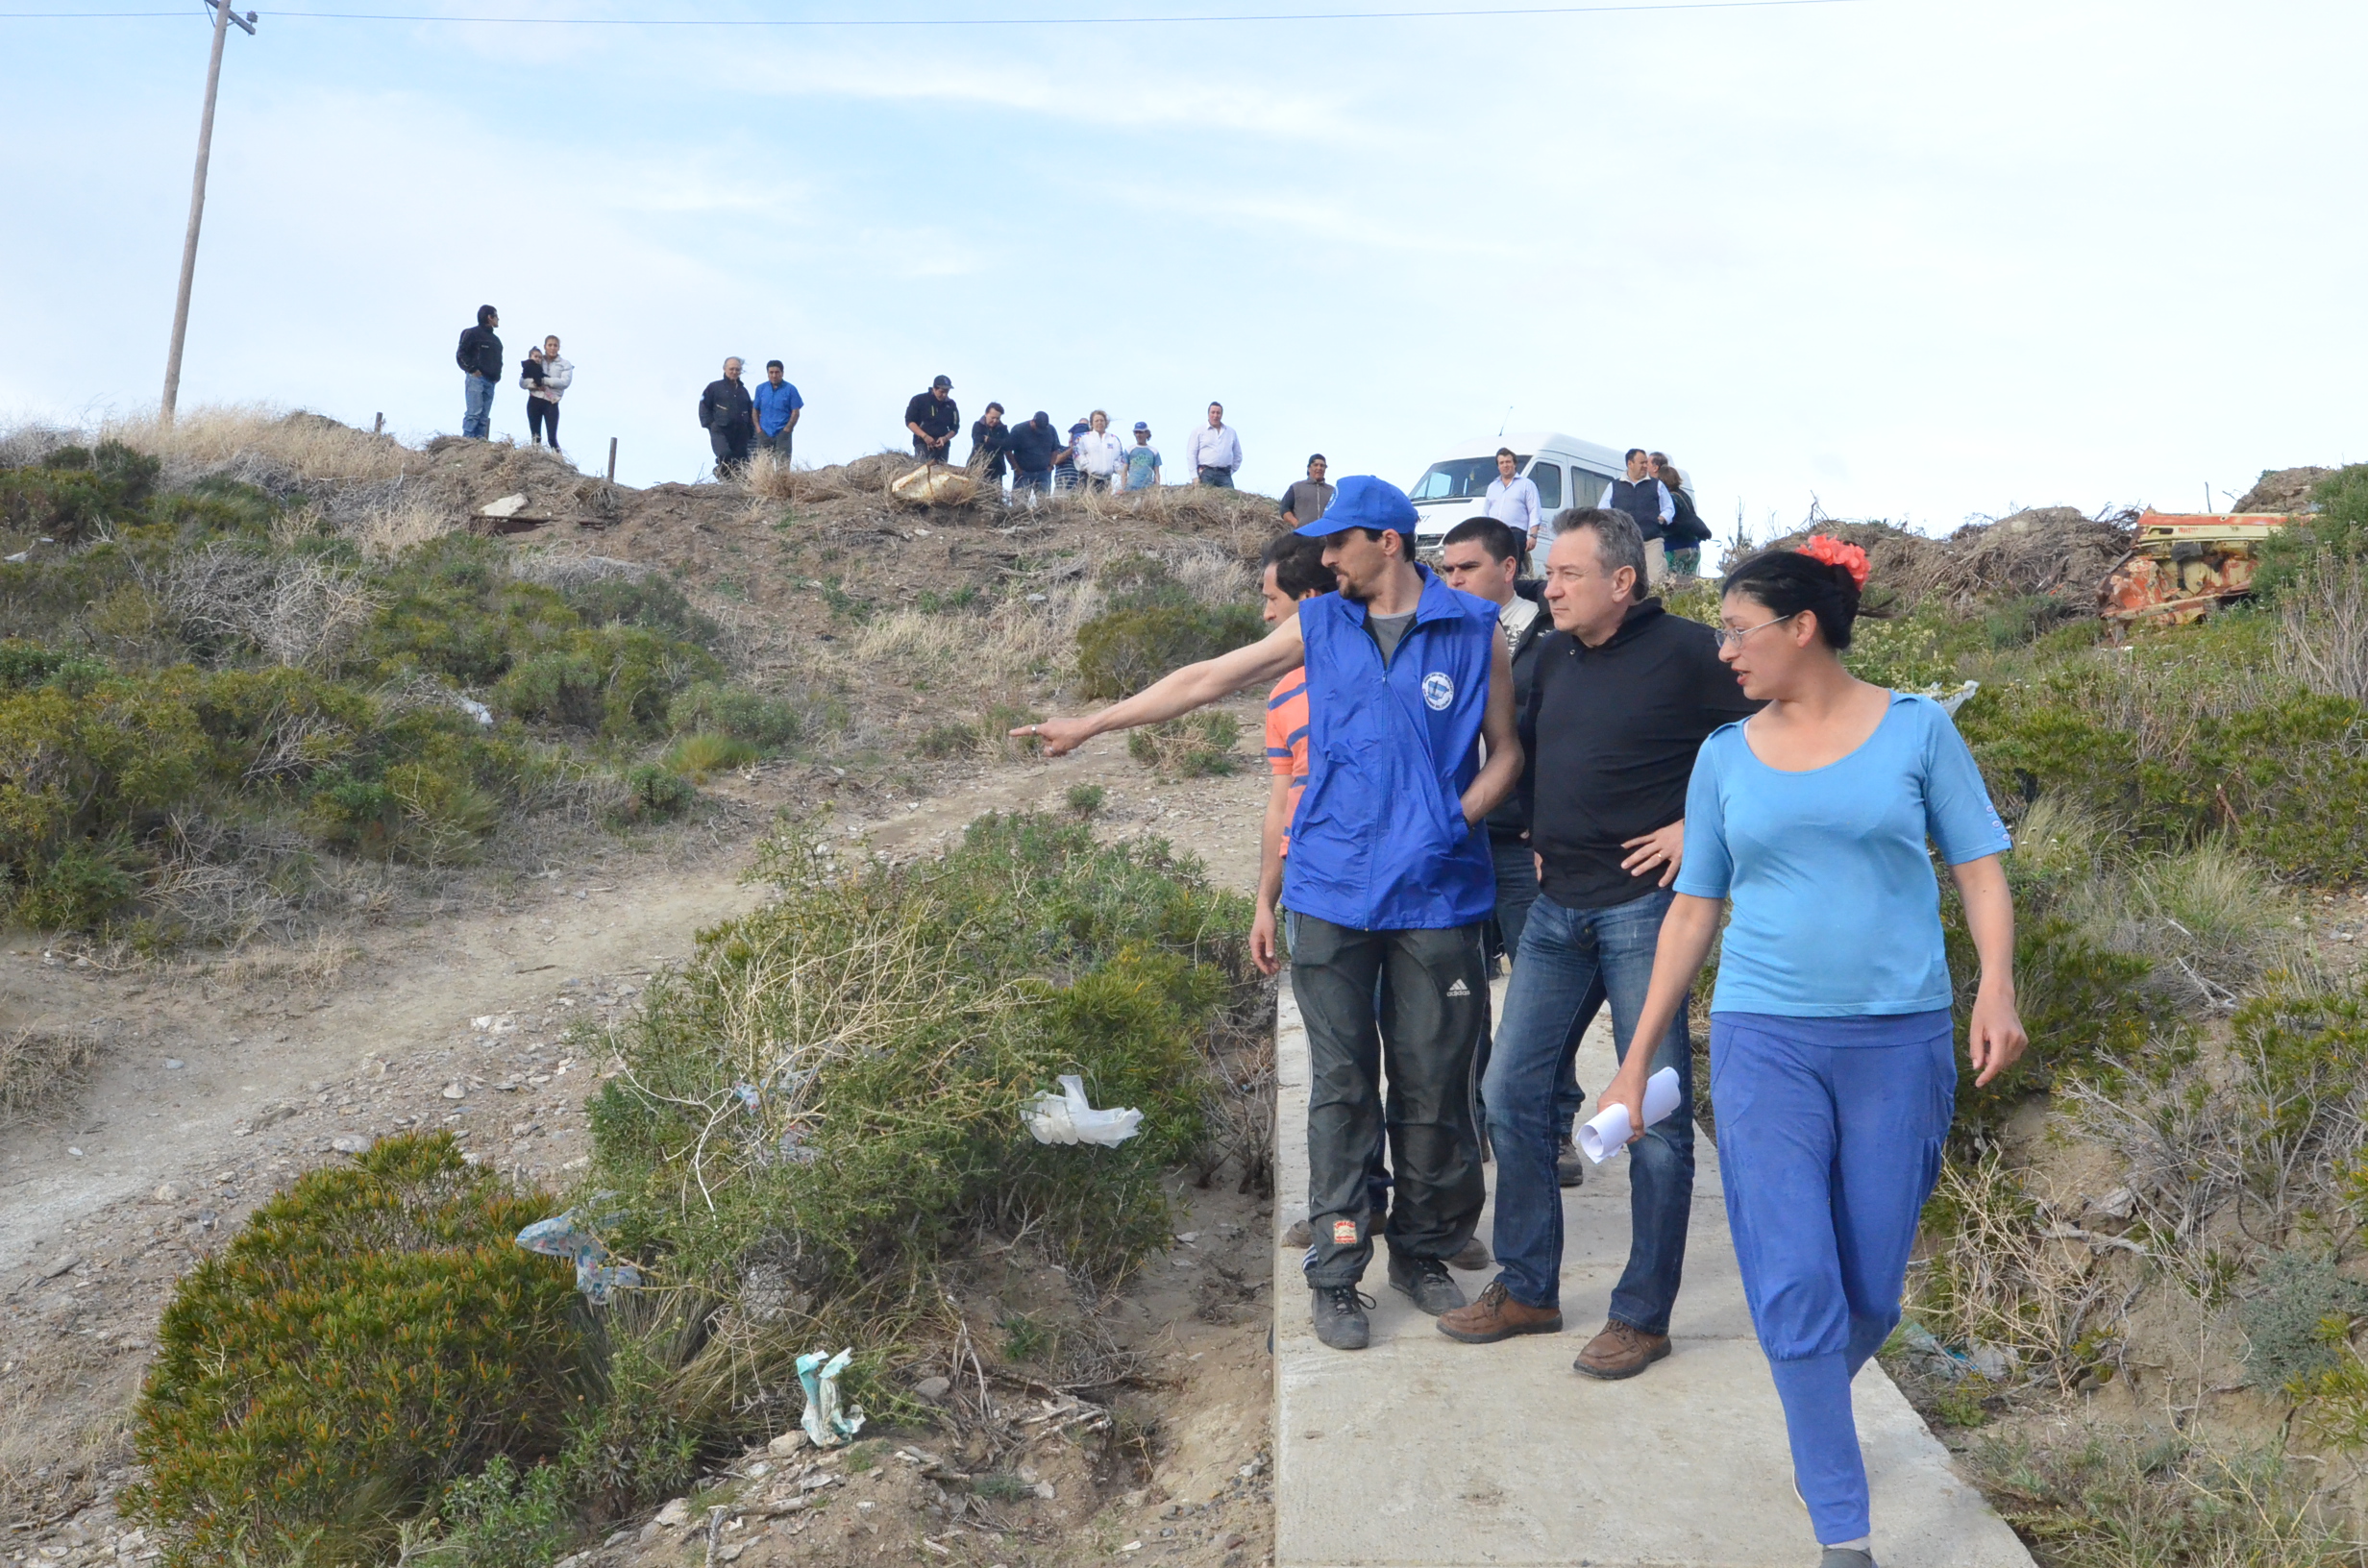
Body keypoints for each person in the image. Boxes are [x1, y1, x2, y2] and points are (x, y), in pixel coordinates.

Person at [1017, 478, 1522, 1352]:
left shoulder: (1476, 633)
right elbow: (1208, 677)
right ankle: (1335, 1268)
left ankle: (1425, 1251)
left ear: (1388, 543)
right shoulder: (1321, 625)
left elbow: (1506, 752)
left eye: (1338, 545)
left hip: (1438, 889)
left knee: (1436, 1082)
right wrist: (1095, 723)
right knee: (1342, 1082)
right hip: (1328, 885)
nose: (1323, 560)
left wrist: (1452, 820)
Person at [1598, 535, 2024, 1568]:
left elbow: (1977, 869)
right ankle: (1844, 1535)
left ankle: (1807, 1404)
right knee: (1794, 1284)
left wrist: (1997, 990)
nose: (1725, 654)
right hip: (1762, 1038)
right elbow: (1693, 911)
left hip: (1899, 1038)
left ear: (1801, 627)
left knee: (1869, 1290)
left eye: (1738, 632)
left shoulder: (1918, 732)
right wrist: (1633, 1057)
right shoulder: (1722, 757)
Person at [1435, 507, 1761, 1382]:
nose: (1554, 585)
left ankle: (1642, 1316)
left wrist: (1701, 826)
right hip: (1556, 908)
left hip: (1646, 911)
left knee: (1649, 1115)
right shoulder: (1549, 653)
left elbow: (1774, 730)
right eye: (1550, 572)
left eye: (1570, 573)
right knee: (1510, 1091)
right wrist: (1539, 827)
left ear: (1624, 580)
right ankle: (1531, 1287)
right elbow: (1534, 755)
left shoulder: (1693, 653)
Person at [1436, 514, 1582, 1182]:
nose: (1454, 578)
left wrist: (1552, 821)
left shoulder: (1555, 634)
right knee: (1459, 993)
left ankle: (1552, 1128)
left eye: (1467, 567)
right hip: (1458, 839)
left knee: (1543, 994)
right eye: (1445, 568)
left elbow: (1571, 739)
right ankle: (1476, 1125)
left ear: (1509, 562)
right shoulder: (1436, 632)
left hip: (1528, 844)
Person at [1600, 449, 1676, 582]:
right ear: (1630, 464)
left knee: (1655, 578)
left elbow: (1669, 507)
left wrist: (1662, 518)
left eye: (1646, 463)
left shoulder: (1657, 485)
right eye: (1642, 463)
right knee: (1625, 580)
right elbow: (1602, 510)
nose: (1646, 466)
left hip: (1651, 541)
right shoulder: (1614, 486)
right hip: (1624, 543)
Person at [699, 358, 755, 478]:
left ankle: (731, 483)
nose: (734, 372)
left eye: (737, 369)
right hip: (720, 429)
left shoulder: (743, 391)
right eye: (731, 369)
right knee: (724, 455)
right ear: (724, 369)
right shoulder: (714, 387)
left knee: (741, 462)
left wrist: (749, 431)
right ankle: (720, 472)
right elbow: (704, 405)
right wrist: (710, 424)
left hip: (740, 432)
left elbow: (750, 412)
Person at [456, 305, 502, 439]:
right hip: (476, 378)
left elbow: (499, 360)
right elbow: (461, 354)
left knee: (483, 416)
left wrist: (497, 376)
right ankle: (467, 441)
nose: (498, 319)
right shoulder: (471, 333)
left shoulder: (496, 341)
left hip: (490, 381)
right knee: (474, 413)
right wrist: (472, 369)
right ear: (490, 317)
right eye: (496, 316)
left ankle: (480, 442)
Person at [1482, 449, 1541, 555]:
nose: (1505, 465)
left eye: (1508, 462)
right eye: (1502, 463)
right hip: (1494, 534)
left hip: (1516, 534)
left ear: (1515, 464)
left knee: (1512, 568)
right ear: (1498, 466)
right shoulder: (1492, 487)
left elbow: (1534, 510)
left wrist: (1533, 536)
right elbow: (1486, 512)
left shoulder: (1526, 484)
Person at [1658, 462, 1711, 576]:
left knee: (1673, 585)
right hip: (1693, 547)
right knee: (1688, 586)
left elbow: (1665, 523)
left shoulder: (1668, 499)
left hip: (1674, 548)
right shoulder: (1684, 495)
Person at [752, 360, 803, 466]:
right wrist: (758, 428)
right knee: (764, 466)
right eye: (771, 373)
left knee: (783, 465)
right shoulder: (761, 389)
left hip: (782, 432)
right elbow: (755, 409)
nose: (774, 375)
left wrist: (787, 429)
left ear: (782, 373)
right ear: (767, 374)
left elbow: (795, 411)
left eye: (777, 372)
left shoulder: (790, 389)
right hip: (764, 432)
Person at [529, 334, 572, 453]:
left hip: (551, 402)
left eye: (555, 345)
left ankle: (559, 461)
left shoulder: (565, 364)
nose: (552, 348)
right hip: (534, 400)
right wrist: (534, 384)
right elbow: (523, 380)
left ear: (558, 348)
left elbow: (565, 382)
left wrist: (543, 381)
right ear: (545, 346)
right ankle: (535, 458)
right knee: (535, 436)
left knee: (552, 438)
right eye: (550, 345)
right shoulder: (537, 359)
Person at [1185, 402, 1243, 487]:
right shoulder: (1199, 431)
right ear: (1208, 414)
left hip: (1224, 474)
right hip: (1206, 473)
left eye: (1218, 413)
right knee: (1205, 499)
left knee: (1229, 498)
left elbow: (1238, 455)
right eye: (1213, 412)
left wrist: (1230, 471)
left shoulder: (1231, 432)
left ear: (1222, 415)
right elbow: (1191, 454)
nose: (1215, 416)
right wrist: (1194, 476)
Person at [1006, 410, 1062, 497]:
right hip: (1023, 473)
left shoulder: (1051, 430)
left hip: (1043, 473)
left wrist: (1051, 466)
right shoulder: (1018, 430)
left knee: (1044, 505)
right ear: (1032, 422)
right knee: (1019, 505)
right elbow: (1008, 450)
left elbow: (1055, 450)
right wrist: (1016, 469)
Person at [904, 375, 959, 462]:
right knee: (922, 471)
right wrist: (925, 436)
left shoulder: (951, 405)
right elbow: (909, 421)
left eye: (947, 392)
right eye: (942, 392)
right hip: (922, 444)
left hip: (942, 448)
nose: (944, 395)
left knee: (941, 474)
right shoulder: (919, 400)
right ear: (934, 388)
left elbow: (955, 428)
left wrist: (945, 438)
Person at [1073, 410, 1125, 493]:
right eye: (1096, 421)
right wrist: (1087, 466)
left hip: (1106, 479)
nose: (1099, 423)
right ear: (1092, 423)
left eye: (1102, 420)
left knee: (1103, 504)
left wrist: (1116, 469)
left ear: (1106, 422)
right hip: (1087, 477)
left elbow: (1119, 457)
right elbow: (1078, 454)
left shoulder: (1114, 439)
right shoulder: (1083, 437)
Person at [1278, 454, 1333, 527]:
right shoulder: (1296, 487)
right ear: (1309, 468)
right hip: (1302, 535)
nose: (1319, 468)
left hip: (1326, 535)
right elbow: (1284, 509)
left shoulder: (1332, 491)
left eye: (1322, 466)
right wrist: (1297, 524)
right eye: (1316, 465)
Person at [969, 403, 1013, 490]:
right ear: (986, 414)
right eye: (992, 418)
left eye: (998, 418)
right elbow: (978, 442)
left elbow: (1008, 444)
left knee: (995, 497)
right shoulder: (978, 426)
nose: (995, 421)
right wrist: (999, 443)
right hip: (978, 466)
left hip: (997, 468)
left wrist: (989, 440)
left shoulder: (1003, 429)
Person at [1122, 422, 1162, 492]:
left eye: (1140, 432)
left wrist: (1157, 487)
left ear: (1146, 434)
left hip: (1147, 488)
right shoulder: (1129, 450)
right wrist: (1124, 487)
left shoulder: (1154, 451)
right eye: (1136, 432)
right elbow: (1124, 471)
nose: (1138, 435)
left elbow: (1157, 472)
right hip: (1131, 488)